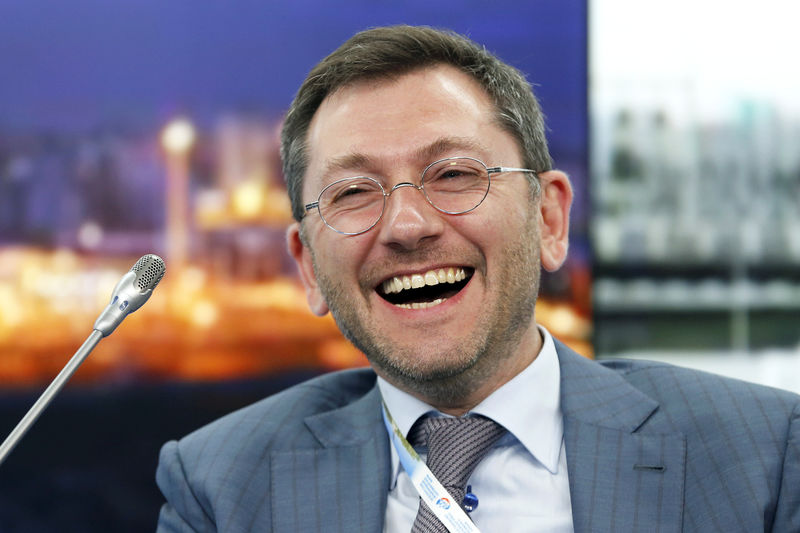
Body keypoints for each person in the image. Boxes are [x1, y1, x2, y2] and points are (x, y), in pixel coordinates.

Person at [155, 25, 799, 532]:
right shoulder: (219, 484)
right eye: (354, 191)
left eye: (455, 175)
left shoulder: (761, 455)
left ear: (548, 219)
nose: (406, 226)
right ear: (308, 267)